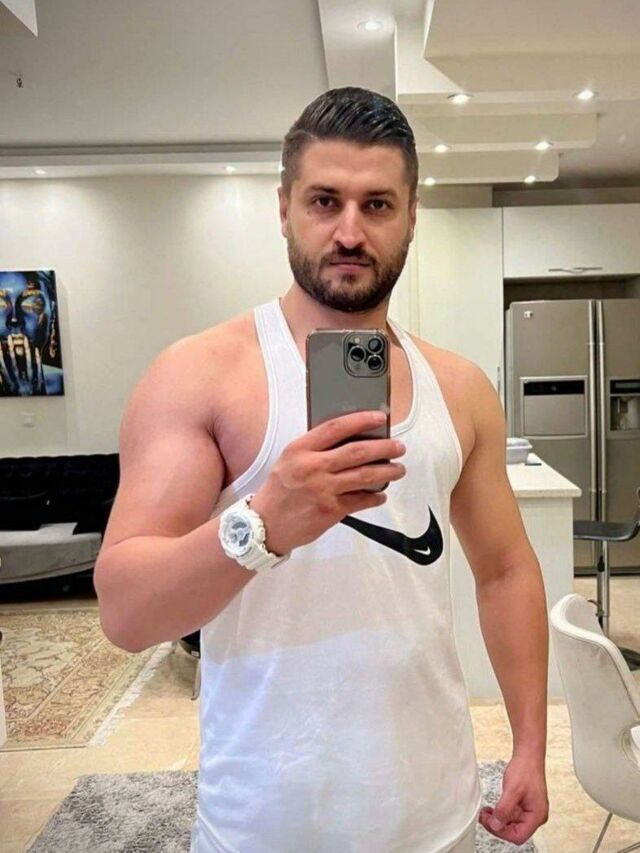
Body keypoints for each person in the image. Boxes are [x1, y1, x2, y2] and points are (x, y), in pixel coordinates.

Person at [95, 87, 549, 852]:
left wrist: (530, 742)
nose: (349, 231)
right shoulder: (198, 375)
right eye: (324, 201)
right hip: (264, 826)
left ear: (412, 216)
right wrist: (261, 524)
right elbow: (125, 613)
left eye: (378, 205)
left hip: (436, 816)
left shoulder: (461, 387)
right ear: (284, 208)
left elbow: (506, 572)